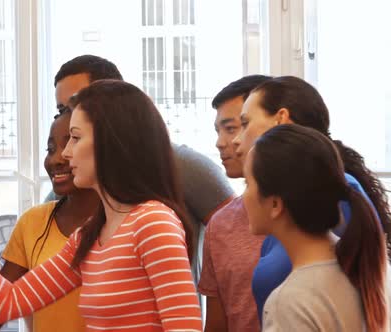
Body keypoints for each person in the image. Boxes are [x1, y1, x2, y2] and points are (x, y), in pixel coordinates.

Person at [0, 80, 202, 331]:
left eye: (76, 137)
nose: (67, 152)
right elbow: (7, 302)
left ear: (111, 142)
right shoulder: (89, 236)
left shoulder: (154, 222)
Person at [46, 55, 234, 288]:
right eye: (61, 109)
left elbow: (236, 234)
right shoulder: (72, 185)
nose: (69, 115)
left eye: (78, 103)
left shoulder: (184, 169)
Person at [232, 75, 391, 322]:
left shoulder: (337, 197)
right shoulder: (285, 226)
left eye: (245, 123)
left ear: (281, 119)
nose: (235, 139)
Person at [0, 107, 100, 331]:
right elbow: (3, 305)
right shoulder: (37, 224)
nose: (58, 157)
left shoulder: (138, 223)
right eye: (50, 148)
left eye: (73, 141)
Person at [198, 75, 271, 332]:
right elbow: (217, 323)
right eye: (218, 131)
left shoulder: (318, 210)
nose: (221, 142)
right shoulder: (220, 224)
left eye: (232, 128)